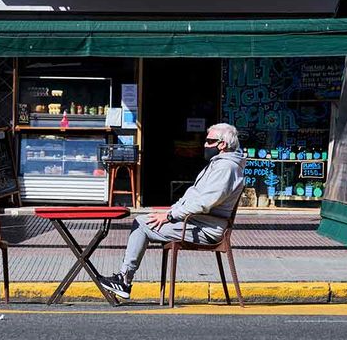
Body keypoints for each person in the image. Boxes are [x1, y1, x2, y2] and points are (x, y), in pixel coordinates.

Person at [99, 123, 246, 299]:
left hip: (206, 228)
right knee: (146, 218)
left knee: (141, 224)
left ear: (223, 145)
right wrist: (170, 212)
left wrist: (170, 215)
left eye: (209, 141)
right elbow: (192, 198)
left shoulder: (226, 168)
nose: (205, 145)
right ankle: (124, 277)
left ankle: (124, 279)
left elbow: (204, 203)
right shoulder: (219, 165)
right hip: (197, 222)